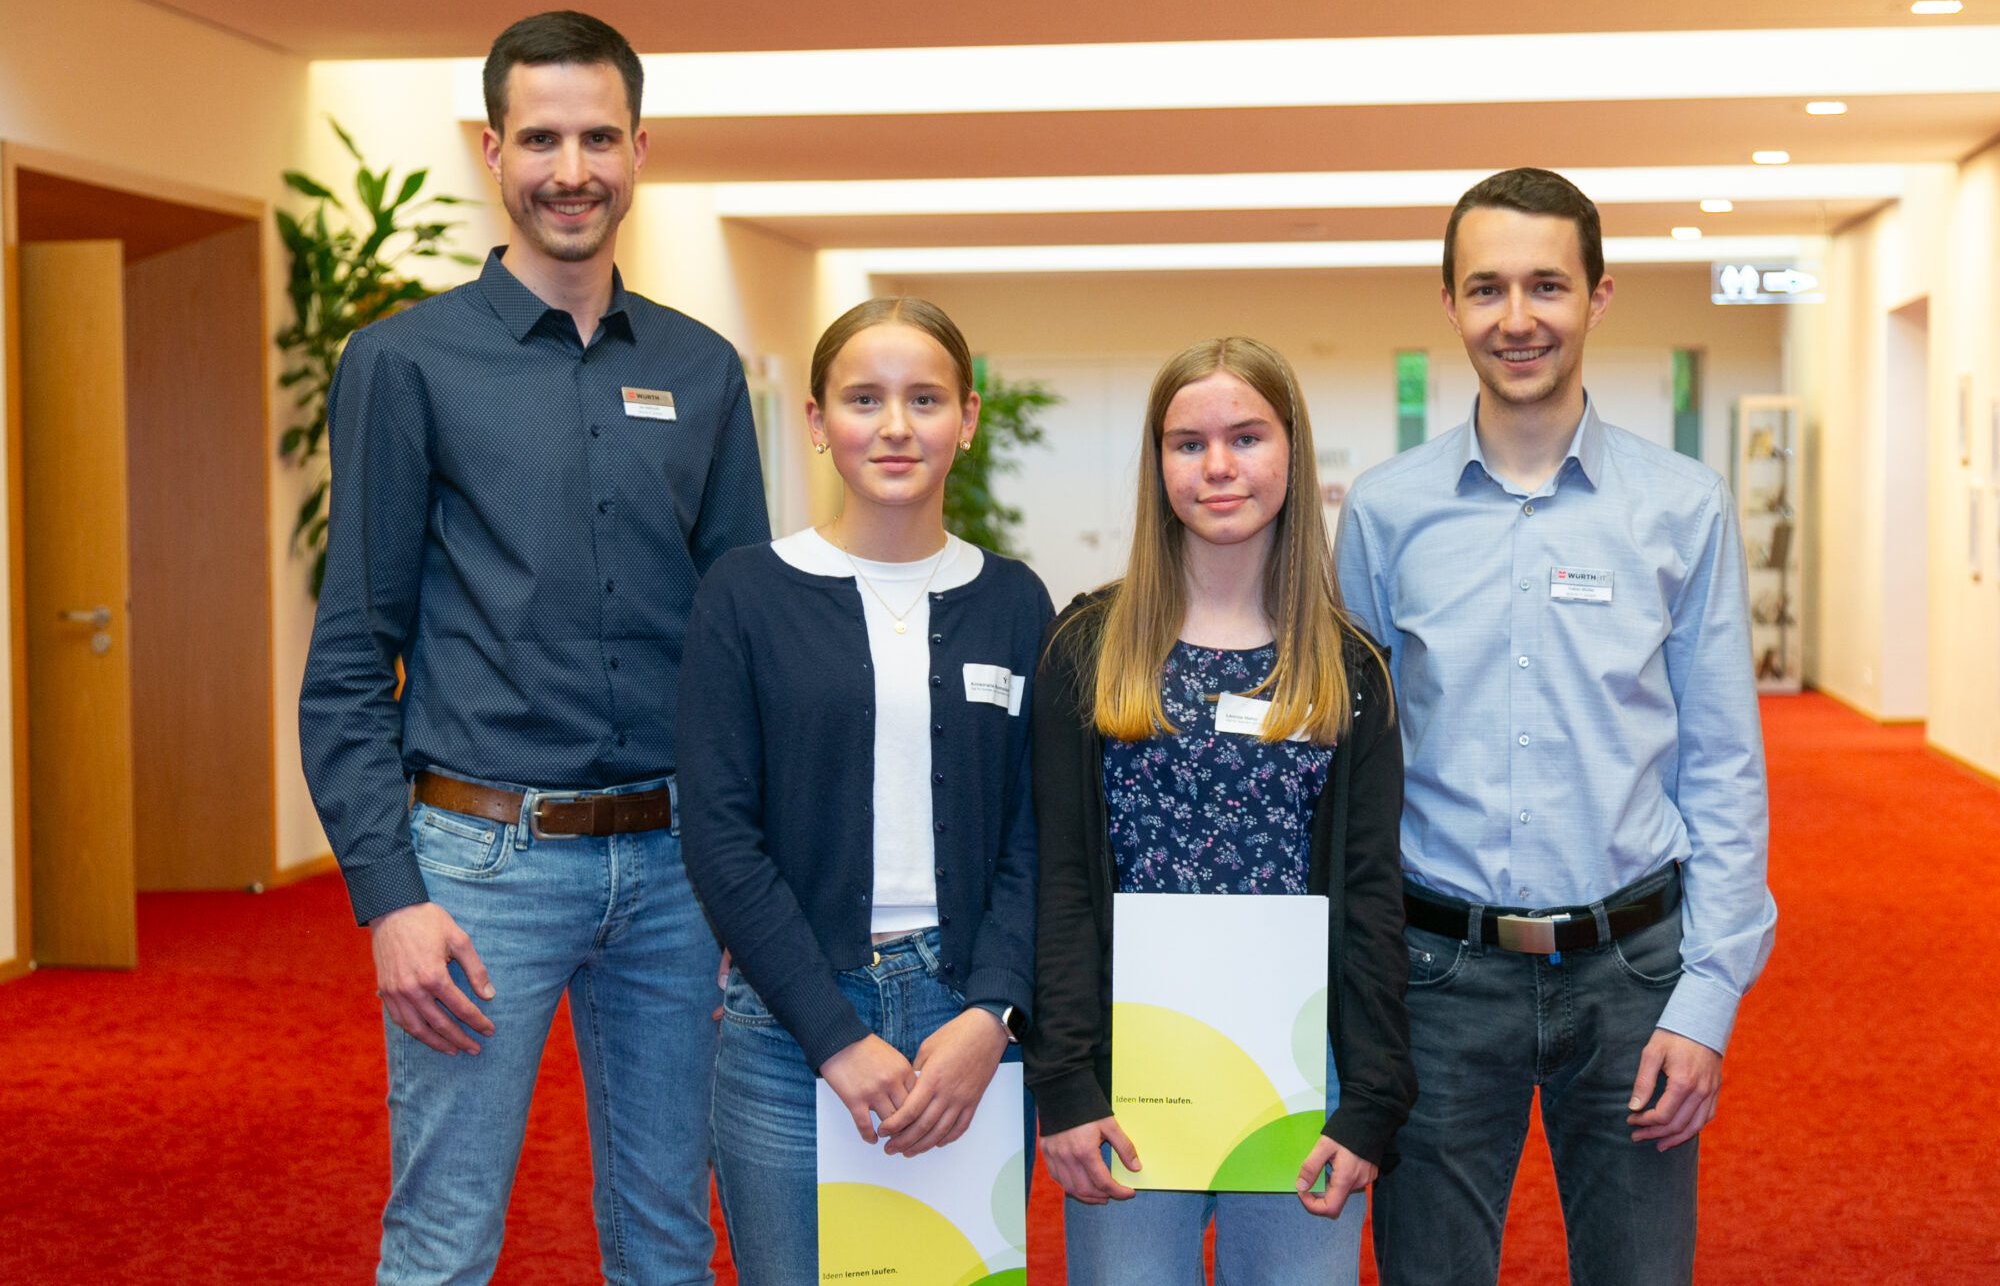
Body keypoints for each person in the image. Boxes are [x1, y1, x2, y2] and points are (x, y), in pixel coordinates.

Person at [298, 11, 769, 1286]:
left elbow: (740, 647)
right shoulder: (403, 362)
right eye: (543, 139)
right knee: (444, 1240)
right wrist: (391, 898)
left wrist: (749, 870)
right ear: (494, 150)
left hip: (674, 871)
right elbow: (352, 653)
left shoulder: (701, 369)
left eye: (599, 138)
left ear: (639, 150)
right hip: (477, 869)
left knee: (669, 1238)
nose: (573, 170)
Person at [1335, 167, 1778, 1286]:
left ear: (1597, 296)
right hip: (1437, 976)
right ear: (1449, 303)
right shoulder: (1386, 512)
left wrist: (1707, 1000)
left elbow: (1723, 764)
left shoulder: (1681, 505)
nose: (1516, 318)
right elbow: (1352, 770)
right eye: (1486, 288)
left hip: (1634, 973)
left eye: (1547, 285)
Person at [677, 298, 1050, 1286]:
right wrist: (833, 1036)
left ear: (966, 418)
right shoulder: (744, 593)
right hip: (787, 1021)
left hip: (967, 1025)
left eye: (924, 399)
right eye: (863, 399)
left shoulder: (1014, 600)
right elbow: (719, 836)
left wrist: (993, 1013)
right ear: (815, 420)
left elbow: (1037, 833)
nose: (895, 426)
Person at [1026, 336, 1415, 1285]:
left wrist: (1370, 1096)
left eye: (1247, 437)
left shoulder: (1349, 668)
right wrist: (1064, 1079)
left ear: (1292, 451)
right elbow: (1062, 878)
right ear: (1158, 463)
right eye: (1188, 443)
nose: (1219, 466)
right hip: (1127, 1079)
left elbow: (1371, 894)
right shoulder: (1088, 646)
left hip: (1301, 1081)